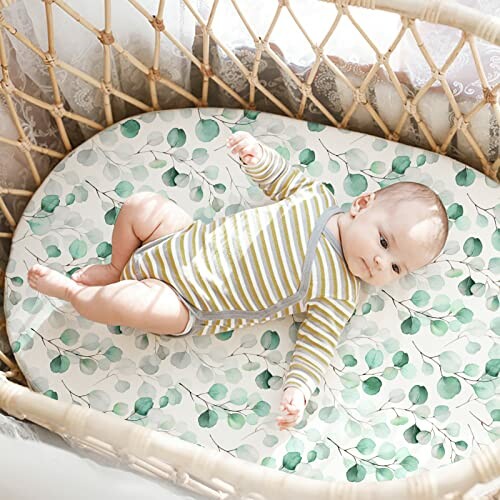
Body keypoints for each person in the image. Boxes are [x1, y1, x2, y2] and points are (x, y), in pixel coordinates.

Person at [28, 131, 449, 431]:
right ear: (361, 204)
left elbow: (317, 345)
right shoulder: (315, 198)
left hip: (186, 302)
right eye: (384, 241)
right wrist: (257, 156)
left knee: (133, 306)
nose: (380, 262)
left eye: (396, 269)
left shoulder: (339, 293)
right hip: (182, 238)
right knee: (142, 206)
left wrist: (298, 388)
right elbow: (281, 178)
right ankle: (118, 265)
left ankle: (75, 291)